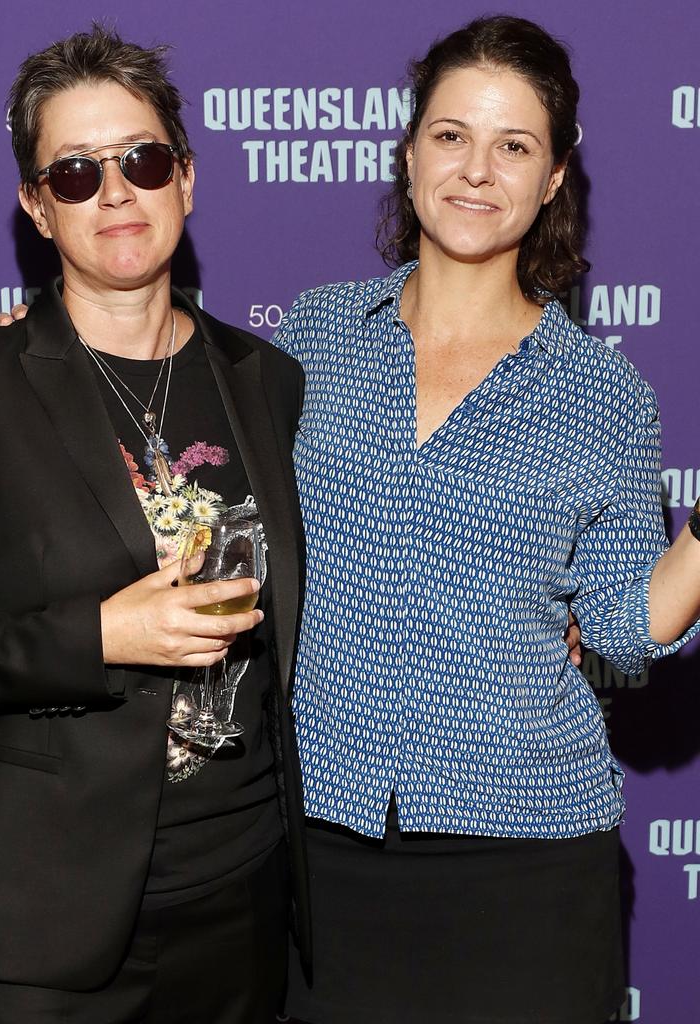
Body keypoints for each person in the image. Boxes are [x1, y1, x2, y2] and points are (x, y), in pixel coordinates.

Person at [270, 15, 700, 1024]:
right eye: (453, 135)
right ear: (410, 148)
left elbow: (631, 630)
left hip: (528, 869)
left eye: (515, 146)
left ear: (554, 179)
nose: (477, 170)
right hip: (315, 853)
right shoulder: (317, 334)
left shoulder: (605, 394)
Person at [0, 26, 309, 1024]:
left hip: (243, 906)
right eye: (74, 173)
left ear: (185, 177)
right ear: (35, 207)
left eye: (142, 161)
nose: (116, 193)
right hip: (34, 927)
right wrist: (98, 636)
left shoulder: (265, 380)